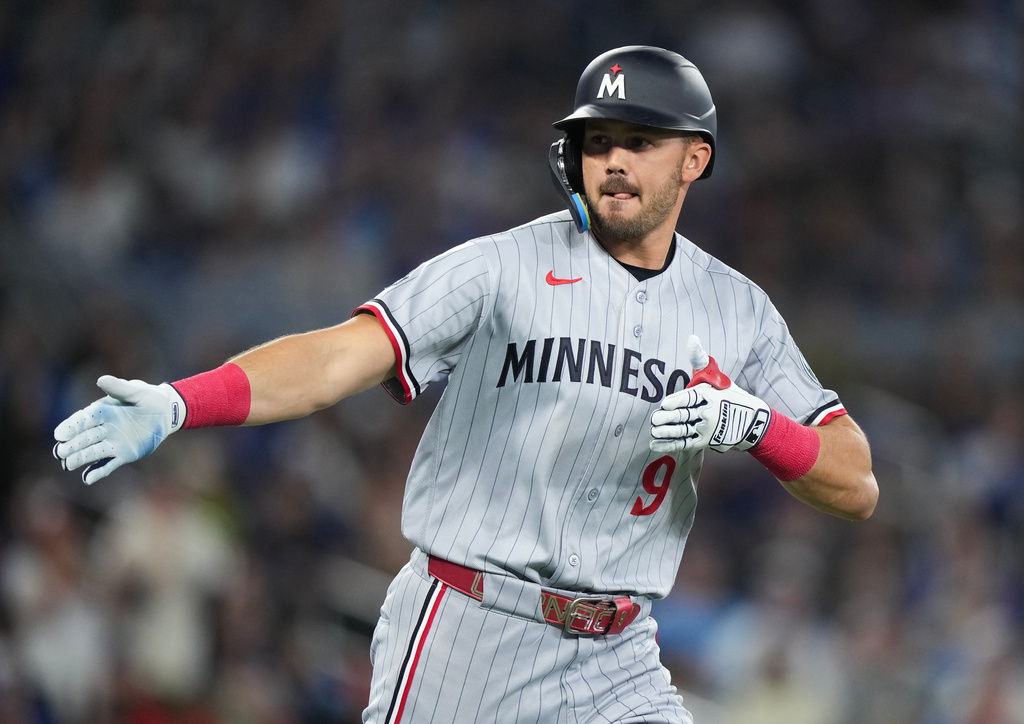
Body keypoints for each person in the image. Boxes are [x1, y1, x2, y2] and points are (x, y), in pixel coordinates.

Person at [53, 46, 877, 723]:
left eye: (641, 140)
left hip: (619, 657)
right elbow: (340, 357)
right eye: (598, 140)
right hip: (468, 632)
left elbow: (857, 481)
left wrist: (757, 425)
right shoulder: (501, 267)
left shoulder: (739, 310)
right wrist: (180, 401)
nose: (614, 160)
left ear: (695, 159)